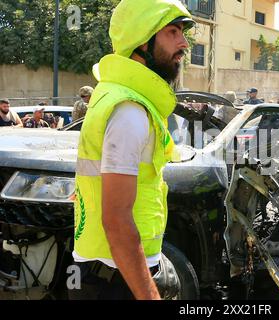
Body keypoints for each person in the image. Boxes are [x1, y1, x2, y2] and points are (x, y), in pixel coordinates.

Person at [70, 0, 195, 300]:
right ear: (143, 40)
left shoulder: (125, 100)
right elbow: (116, 219)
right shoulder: (129, 111)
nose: (184, 43)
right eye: (173, 32)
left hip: (111, 271)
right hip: (114, 279)